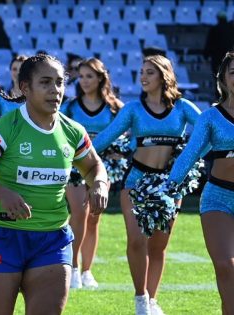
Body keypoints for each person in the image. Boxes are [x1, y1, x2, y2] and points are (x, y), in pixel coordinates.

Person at [0, 53, 108, 314]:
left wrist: (100, 184)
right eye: (45, 82)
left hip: (53, 240)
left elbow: (93, 166)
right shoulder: (5, 128)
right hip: (3, 237)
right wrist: (0, 192)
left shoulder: (73, 131)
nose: (55, 90)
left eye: (59, 82)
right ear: (25, 87)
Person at [92, 55, 201, 315]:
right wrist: (78, 156)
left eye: (149, 73)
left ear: (164, 75)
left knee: (158, 246)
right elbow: (105, 138)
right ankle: (140, 298)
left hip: (170, 185)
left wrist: (189, 158)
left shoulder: (183, 108)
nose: (143, 77)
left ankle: (153, 299)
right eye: (141, 72)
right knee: (137, 241)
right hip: (137, 181)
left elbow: (208, 131)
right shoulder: (132, 110)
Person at [165, 51, 234, 314]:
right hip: (218, 198)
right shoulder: (211, 117)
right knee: (226, 266)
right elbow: (190, 154)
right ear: (223, 80)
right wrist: (169, 187)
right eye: (233, 72)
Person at [60, 57, 124, 289]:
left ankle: (87, 270)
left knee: (94, 218)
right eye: (82, 76)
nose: (85, 81)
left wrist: (120, 151)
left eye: (90, 76)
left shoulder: (115, 108)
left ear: (100, 78)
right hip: (75, 168)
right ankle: (73, 268)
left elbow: (126, 136)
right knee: (79, 213)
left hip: (101, 169)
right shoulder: (69, 107)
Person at [204, 11, 234, 76]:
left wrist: (206, 55)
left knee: (217, 77)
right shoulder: (231, 30)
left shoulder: (214, 29)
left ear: (218, 18)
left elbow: (209, 43)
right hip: (228, 58)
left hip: (216, 59)